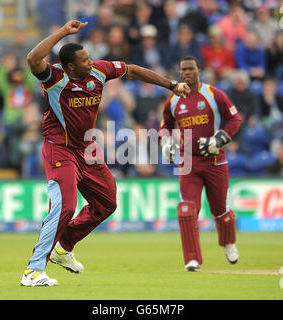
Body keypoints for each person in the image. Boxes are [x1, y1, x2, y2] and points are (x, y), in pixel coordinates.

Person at [21, 20, 190, 287]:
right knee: (65, 205)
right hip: (60, 149)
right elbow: (33, 57)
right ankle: (33, 270)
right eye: (84, 60)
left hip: (87, 149)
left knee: (107, 203)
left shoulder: (99, 70)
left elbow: (133, 70)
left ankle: (63, 248)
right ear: (70, 66)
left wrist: (171, 85)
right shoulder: (54, 78)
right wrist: (64, 32)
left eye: (89, 57)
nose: (91, 62)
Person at [159, 56, 242, 272]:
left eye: (191, 69)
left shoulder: (213, 94)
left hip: (215, 160)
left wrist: (220, 138)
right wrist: (166, 141)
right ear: (179, 73)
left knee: (220, 210)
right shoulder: (174, 100)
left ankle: (228, 242)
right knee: (187, 210)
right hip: (188, 163)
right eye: (183, 69)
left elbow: (235, 119)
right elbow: (165, 125)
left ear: (199, 71)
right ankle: (192, 259)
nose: (187, 73)